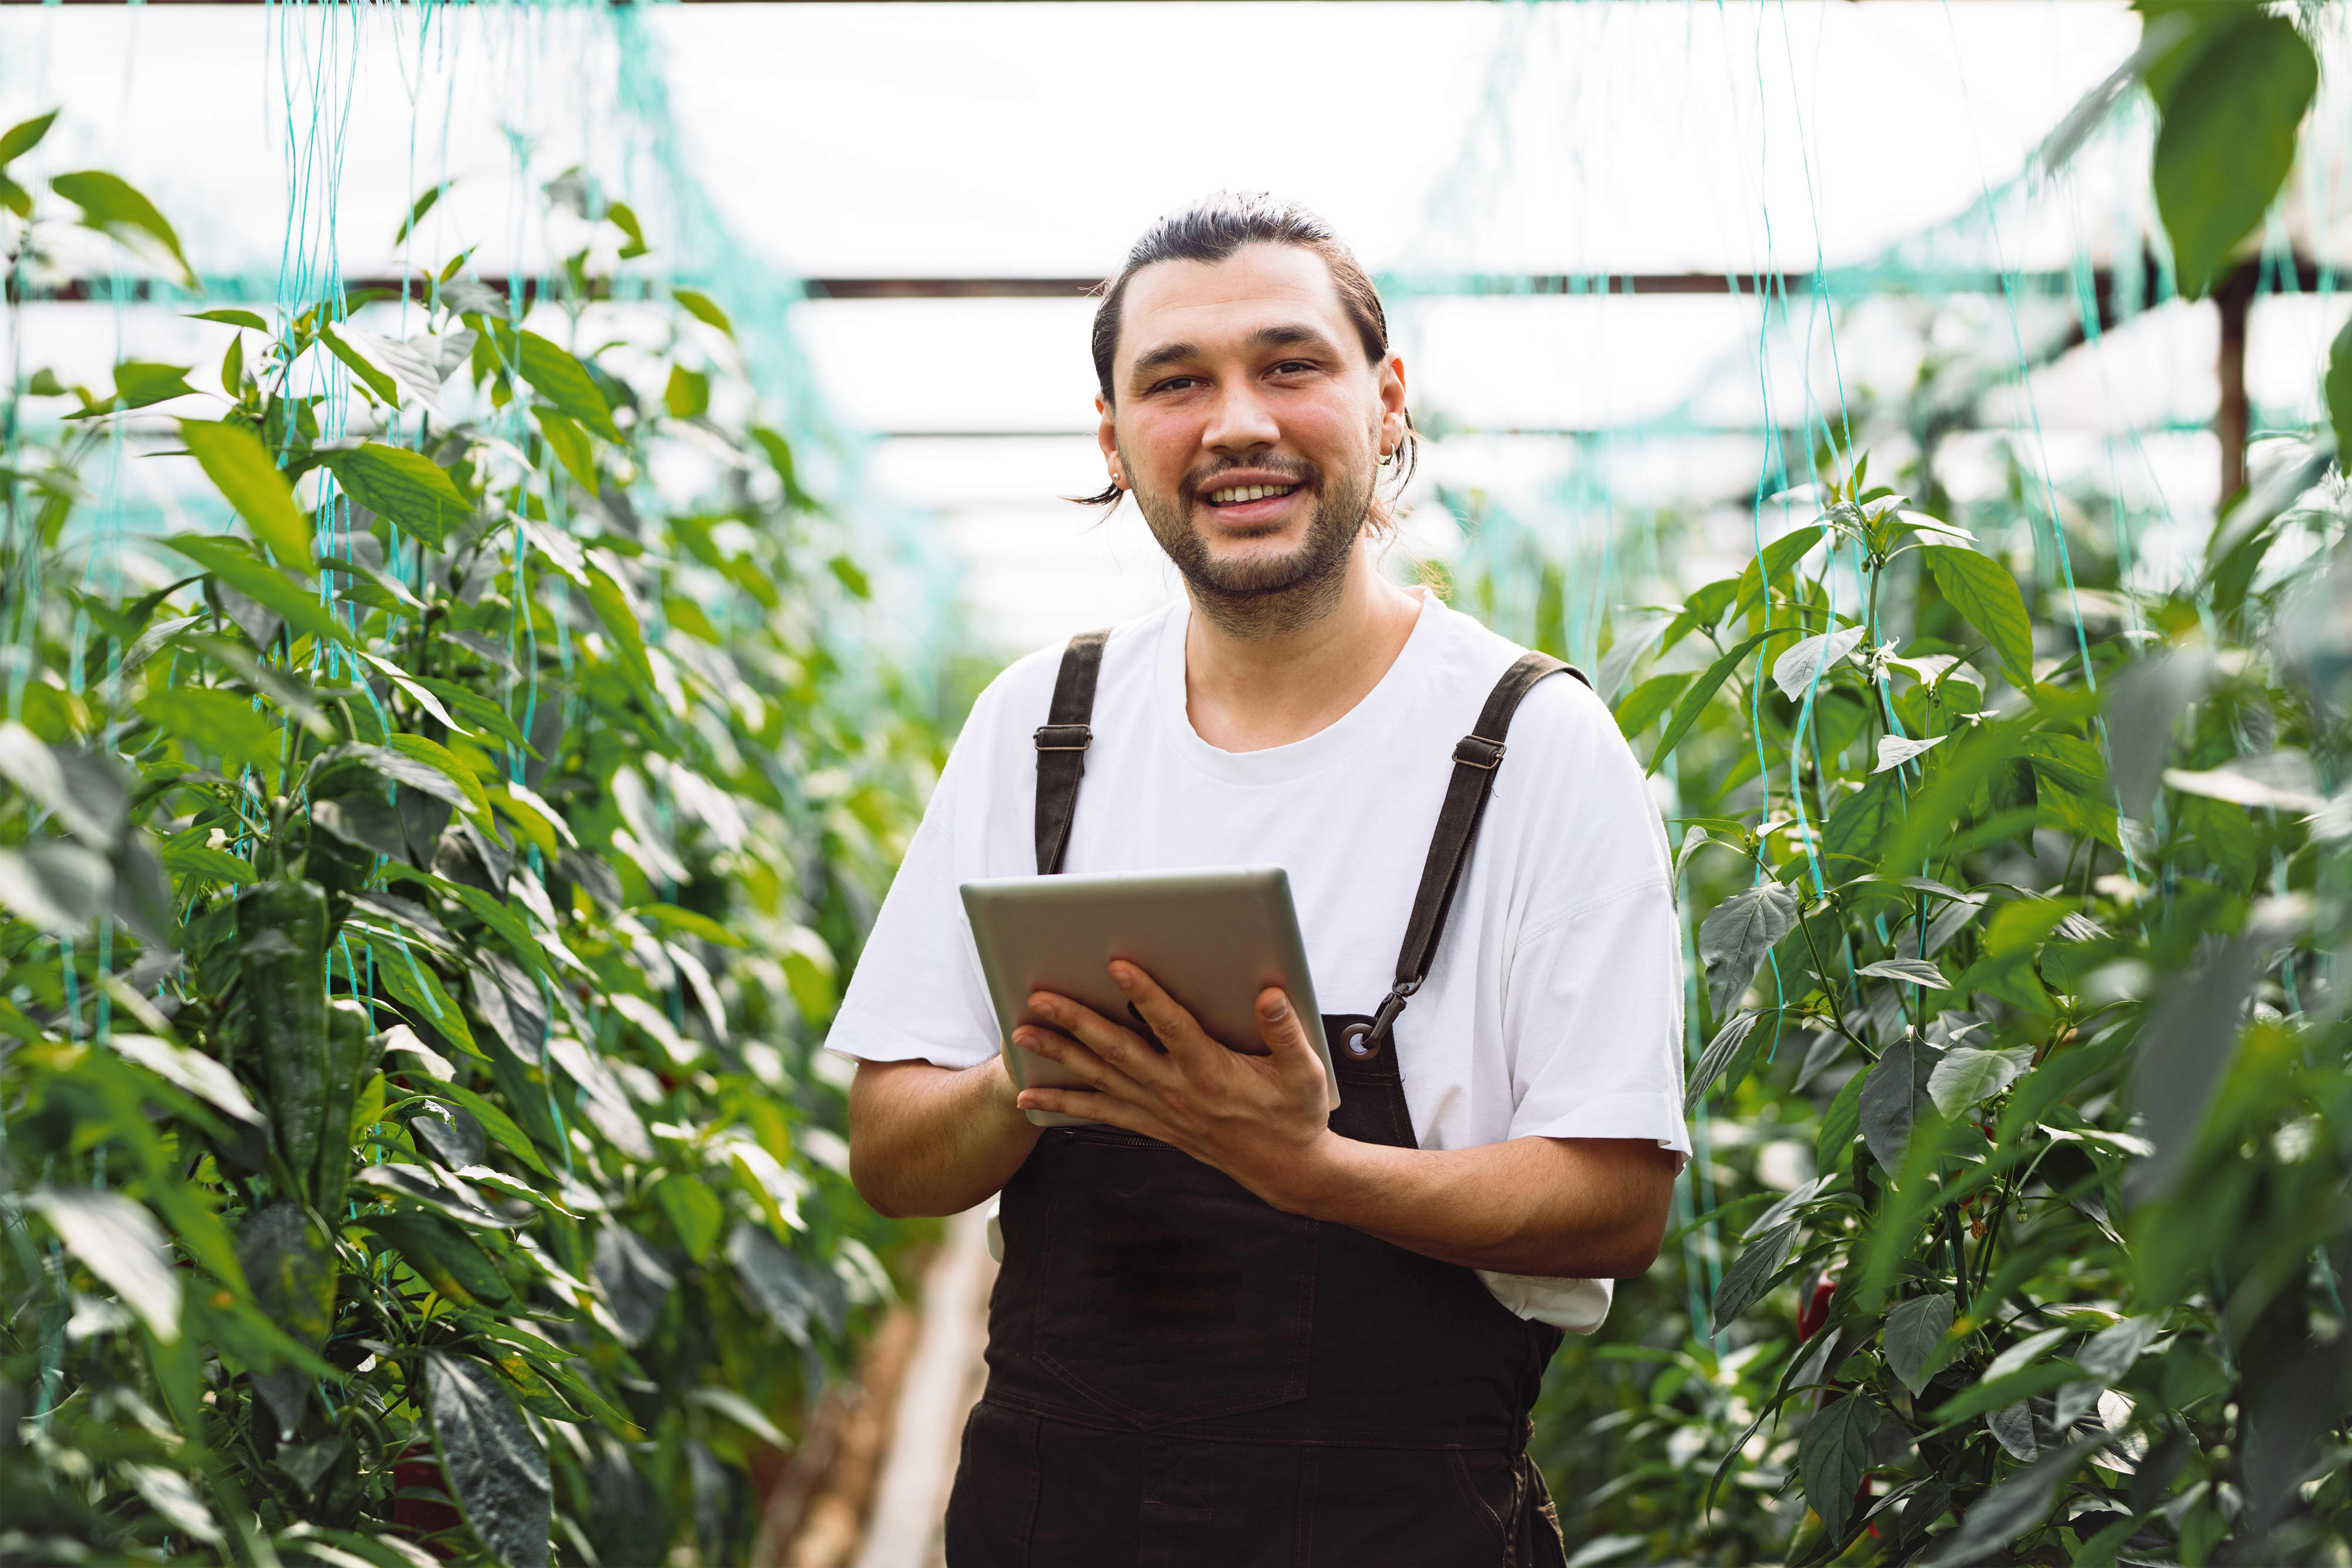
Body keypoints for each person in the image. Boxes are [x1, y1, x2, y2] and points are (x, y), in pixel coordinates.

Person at [834, 192, 1689, 1567]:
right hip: (1053, 1516)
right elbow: (888, 1145)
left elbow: (1615, 1190)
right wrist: (1026, 1081)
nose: (1236, 421)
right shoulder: (1042, 727)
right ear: (1113, 438)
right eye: (1175, 383)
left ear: (1383, 399)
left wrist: (1307, 1166)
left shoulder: (1528, 743)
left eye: (1289, 366)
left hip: (1397, 1526)